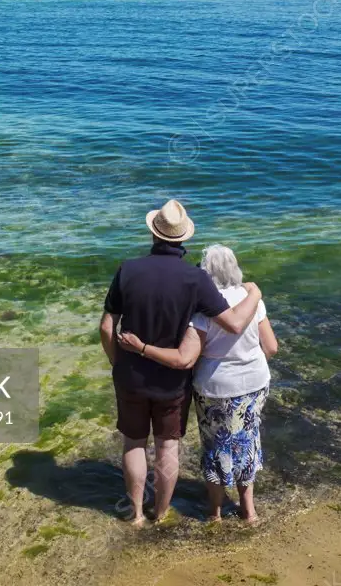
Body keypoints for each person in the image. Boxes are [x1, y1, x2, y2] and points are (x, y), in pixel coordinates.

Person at [100, 201, 263, 526]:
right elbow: (233, 323)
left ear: (153, 234)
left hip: (131, 375)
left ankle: (134, 516)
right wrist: (255, 295)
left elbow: (107, 327)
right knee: (167, 448)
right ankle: (160, 514)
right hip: (173, 381)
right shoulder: (195, 278)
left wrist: (119, 365)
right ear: (181, 238)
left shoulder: (128, 269)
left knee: (133, 444)